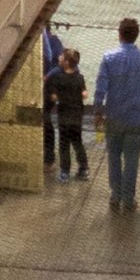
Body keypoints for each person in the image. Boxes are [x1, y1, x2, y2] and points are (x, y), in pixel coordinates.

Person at [92, 17, 140, 214]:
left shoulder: (108, 58)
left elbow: (100, 88)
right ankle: (129, 200)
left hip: (114, 118)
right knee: (132, 159)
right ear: (136, 35)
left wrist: (98, 112)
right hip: (136, 119)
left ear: (119, 34)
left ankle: (115, 197)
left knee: (113, 157)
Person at [44, 49, 89, 181]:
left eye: (61, 56)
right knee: (77, 142)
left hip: (64, 116)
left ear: (66, 62)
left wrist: (57, 96)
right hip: (77, 117)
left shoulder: (58, 78)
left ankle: (65, 172)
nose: (59, 57)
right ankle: (83, 168)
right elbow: (85, 94)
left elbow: (53, 97)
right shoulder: (80, 78)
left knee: (64, 144)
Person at [39, 24, 66, 173]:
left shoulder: (46, 41)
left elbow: (52, 60)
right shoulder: (56, 41)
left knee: (43, 118)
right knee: (46, 118)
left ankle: (47, 156)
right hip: (52, 86)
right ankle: (49, 157)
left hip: (47, 84)